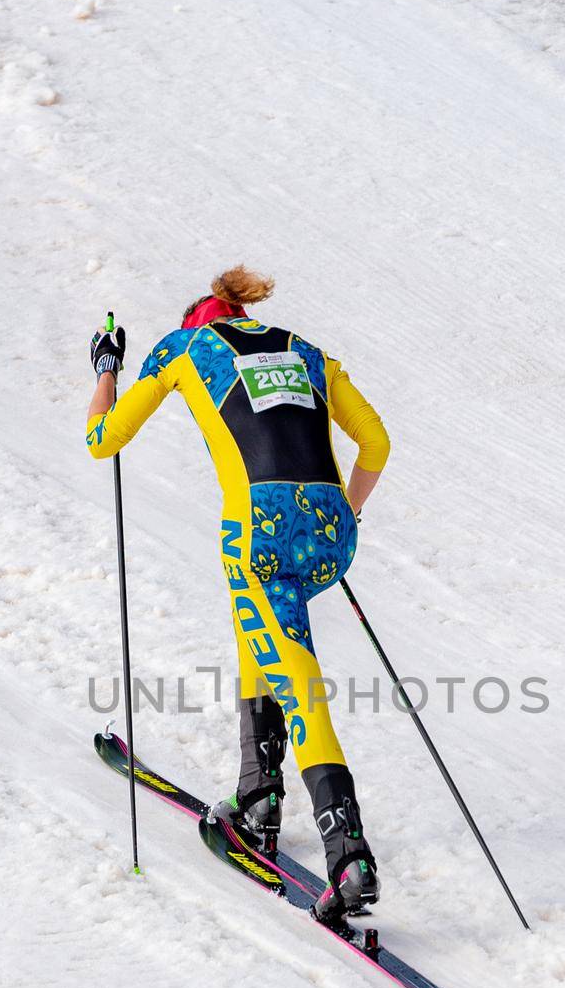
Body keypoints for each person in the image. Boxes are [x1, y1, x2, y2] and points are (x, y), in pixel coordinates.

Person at [85, 266, 390, 922]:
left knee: (300, 680)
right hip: (332, 530)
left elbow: (101, 440)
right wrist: (348, 517)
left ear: (198, 321)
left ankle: (348, 854)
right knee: (272, 639)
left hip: (259, 532)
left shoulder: (185, 348)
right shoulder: (305, 349)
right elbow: (375, 443)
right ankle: (259, 792)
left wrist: (107, 368)